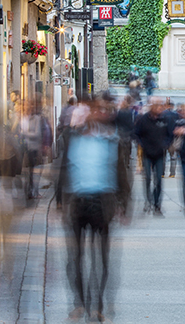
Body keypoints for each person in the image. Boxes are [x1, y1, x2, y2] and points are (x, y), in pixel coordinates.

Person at [57, 95, 130, 322]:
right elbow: (63, 169)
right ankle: (79, 304)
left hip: (102, 202)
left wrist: (124, 205)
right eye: (93, 110)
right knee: (75, 258)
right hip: (78, 202)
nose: (97, 114)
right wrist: (59, 201)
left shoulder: (113, 141)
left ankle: (98, 305)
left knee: (102, 260)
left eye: (102, 110)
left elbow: (121, 175)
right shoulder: (71, 138)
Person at [134, 98, 172, 215]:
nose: (159, 108)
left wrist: (165, 144)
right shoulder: (144, 119)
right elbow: (136, 133)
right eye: (156, 106)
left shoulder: (164, 119)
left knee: (159, 180)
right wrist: (141, 143)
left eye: (160, 106)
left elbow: (169, 134)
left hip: (159, 153)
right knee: (148, 179)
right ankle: (148, 201)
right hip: (147, 153)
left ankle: (157, 204)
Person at [161, 99, 180, 178]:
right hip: (173, 138)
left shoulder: (162, 114)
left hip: (163, 138)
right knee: (173, 156)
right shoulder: (176, 115)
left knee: (162, 157)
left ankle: (162, 173)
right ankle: (172, 173)